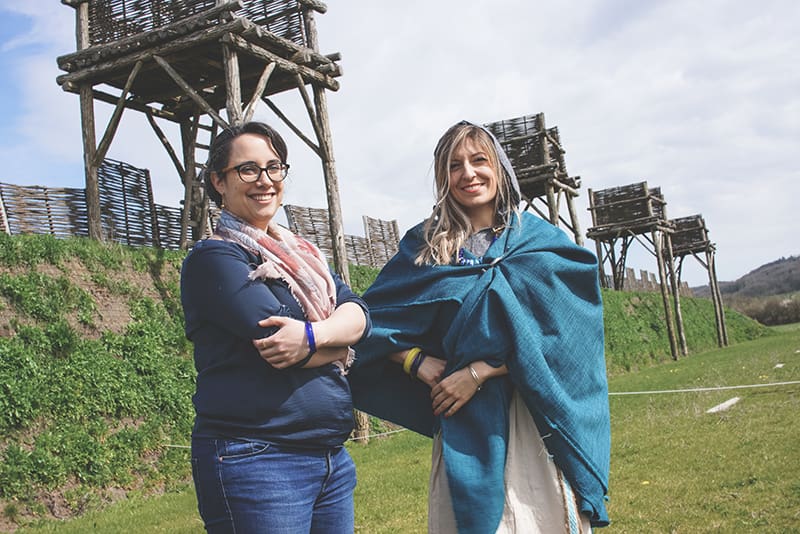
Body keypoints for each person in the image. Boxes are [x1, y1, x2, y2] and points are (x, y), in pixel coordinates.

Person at [349, 120, 610, 533]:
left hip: (532, 416)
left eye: (479, 160)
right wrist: (417, 362)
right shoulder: (428, 246)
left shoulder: (538, 241)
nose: (468, 173)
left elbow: (568, 332)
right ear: (443, 178)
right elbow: (369, 322)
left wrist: (479, 372)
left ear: (499, 168)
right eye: (454, 165)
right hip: (464, 423)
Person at [180, 121, 371, 533]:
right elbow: (279, 342)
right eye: (247, 169)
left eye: (273, 167)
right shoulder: (215, 259)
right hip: (257, 460)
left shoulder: (303, 259)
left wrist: (314, 336)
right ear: (218, 181)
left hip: (329, 459)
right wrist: (341, 343)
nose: (264, 180)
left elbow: (359, 313)